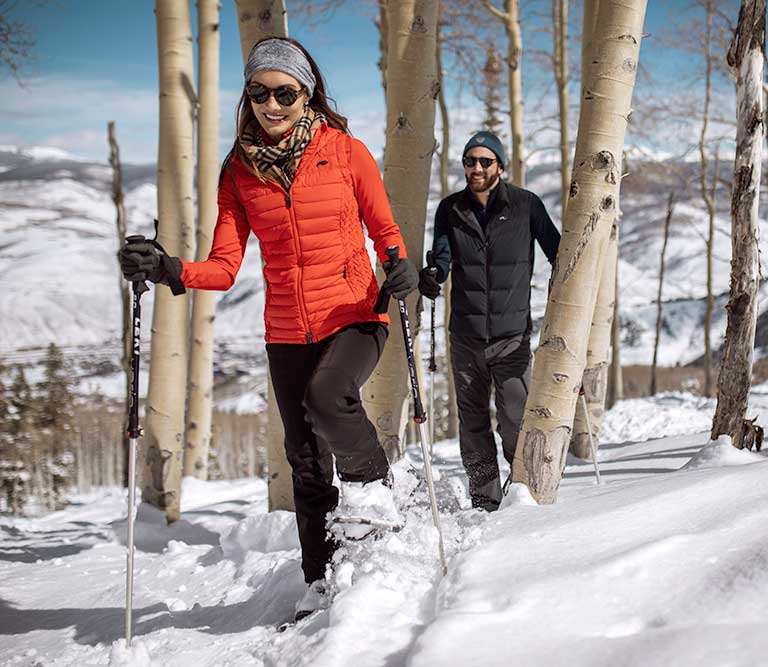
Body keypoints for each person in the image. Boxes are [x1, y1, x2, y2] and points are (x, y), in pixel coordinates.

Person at [117, 37, 418, 621]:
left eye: (285, 92)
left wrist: (398, 264)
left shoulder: (346, 151)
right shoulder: (239, 171)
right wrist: (168, 267)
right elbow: (224, 267)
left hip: (356, 313)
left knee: (327, 398)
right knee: (304, 460)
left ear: (307, 94)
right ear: (248, 97)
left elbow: (385, 229)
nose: (272, 105)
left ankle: (375, 488)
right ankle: (322, 581)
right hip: (286, 330)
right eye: (260, 93)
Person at [419, 130, 560, 512]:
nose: (476, 168)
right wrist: (433, 275)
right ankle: (485, 500)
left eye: (485, 161)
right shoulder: (450, 209)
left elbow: (557, 252)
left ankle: (521, 491)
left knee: (515, 417)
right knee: (472, 423)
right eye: (470, 161)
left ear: (500, 165)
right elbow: (443, 259)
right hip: (465, 336)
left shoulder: (525, 205)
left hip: (512, 336)